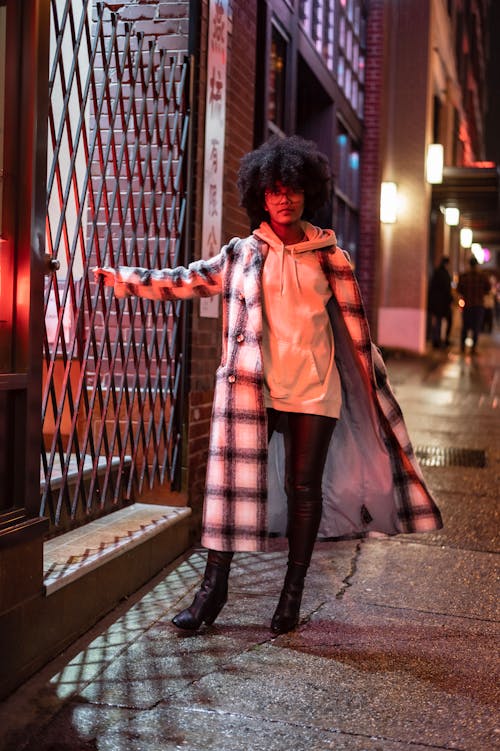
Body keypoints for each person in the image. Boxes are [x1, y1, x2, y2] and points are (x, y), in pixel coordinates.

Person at [94, 135, 442, 635]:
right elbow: (182, 279)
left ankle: (291, 595)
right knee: (232, 485)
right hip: (253, 389)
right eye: (275, 190)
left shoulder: (332, 258)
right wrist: (123, 279)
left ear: (308, 193)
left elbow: (357, 337)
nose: (285, 199)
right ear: (260, 194)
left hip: (316, 391)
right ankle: (212, 593)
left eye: (294, 189)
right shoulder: (241, 254)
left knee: (303, 490)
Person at [457, 257, 491, 354]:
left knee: (465, 326)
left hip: (467, 304)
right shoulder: (482, 277)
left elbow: (459, 289)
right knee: (476, 327)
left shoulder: (464, 276)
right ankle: (473, 348)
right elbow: (488, 289)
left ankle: (462, 347)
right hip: (478, 305)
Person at [427, 257, 453, 348]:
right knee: (444, 321)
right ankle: (440, 340)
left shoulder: (436, 273)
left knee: (437, 322)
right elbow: (446, 290)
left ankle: (437, 340)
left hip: (436, 303)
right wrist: (450, 300)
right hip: (442, 304)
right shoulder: (444, 274)